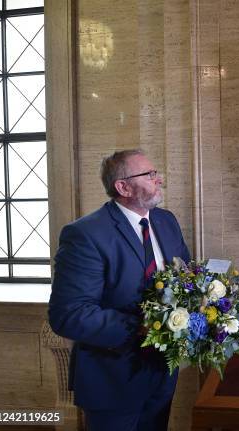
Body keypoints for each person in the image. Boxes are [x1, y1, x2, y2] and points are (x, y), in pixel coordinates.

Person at [48, 149, 190, 431]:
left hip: (162, 371)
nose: (158, 179)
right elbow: (68, 314)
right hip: (111, 376)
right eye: (149, 175)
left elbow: (187, 278)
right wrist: (143, 326)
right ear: (122, 186)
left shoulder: (166, 221)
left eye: (155, 172)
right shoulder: (86, 234)